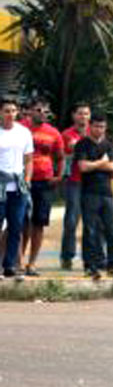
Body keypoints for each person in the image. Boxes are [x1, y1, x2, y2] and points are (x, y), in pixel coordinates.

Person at [75, 112, 113, 281]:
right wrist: (101, 162)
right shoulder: (82, 144)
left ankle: (112, 265)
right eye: (96, 126)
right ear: (91, 126)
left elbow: (112, 166)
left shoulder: (108, 145)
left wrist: (96, 164)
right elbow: (83, 167)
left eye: (102, 126)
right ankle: (90, 265)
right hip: (89, 192)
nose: (100, 129)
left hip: (107, 193)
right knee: (90, 230)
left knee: (112, 231)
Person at [21, 98, 64, 276]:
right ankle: (17, 260)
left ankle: (32, 263)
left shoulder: (54, 133)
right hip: (22, 181)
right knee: (21, 222)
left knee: (39, 223)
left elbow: (60, 156)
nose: (42, 114)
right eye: (38, 110)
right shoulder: (20, 129)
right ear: (30, 111)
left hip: (45, 182)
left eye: (46, 111)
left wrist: (59, 176)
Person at [0, 98, 33, 279]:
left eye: (13, 111)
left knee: (16, 226)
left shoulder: (24, 133)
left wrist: (27, 179)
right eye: (6, 110)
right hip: (0, 183)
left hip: (18, 185)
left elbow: (28, 159)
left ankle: (9, 265)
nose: (10, 114)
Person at [60, 103, 90, 270]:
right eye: (80, 114)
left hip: (92, 183)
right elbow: (61, 156)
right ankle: (67, 256)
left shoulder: (95, 134)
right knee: (71, 220)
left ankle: (90, 258)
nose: (83, 117)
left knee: (92, 221)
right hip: (74, 182)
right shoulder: (66, 134)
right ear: (74, 116)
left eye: (86, 114)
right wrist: (71, 151)